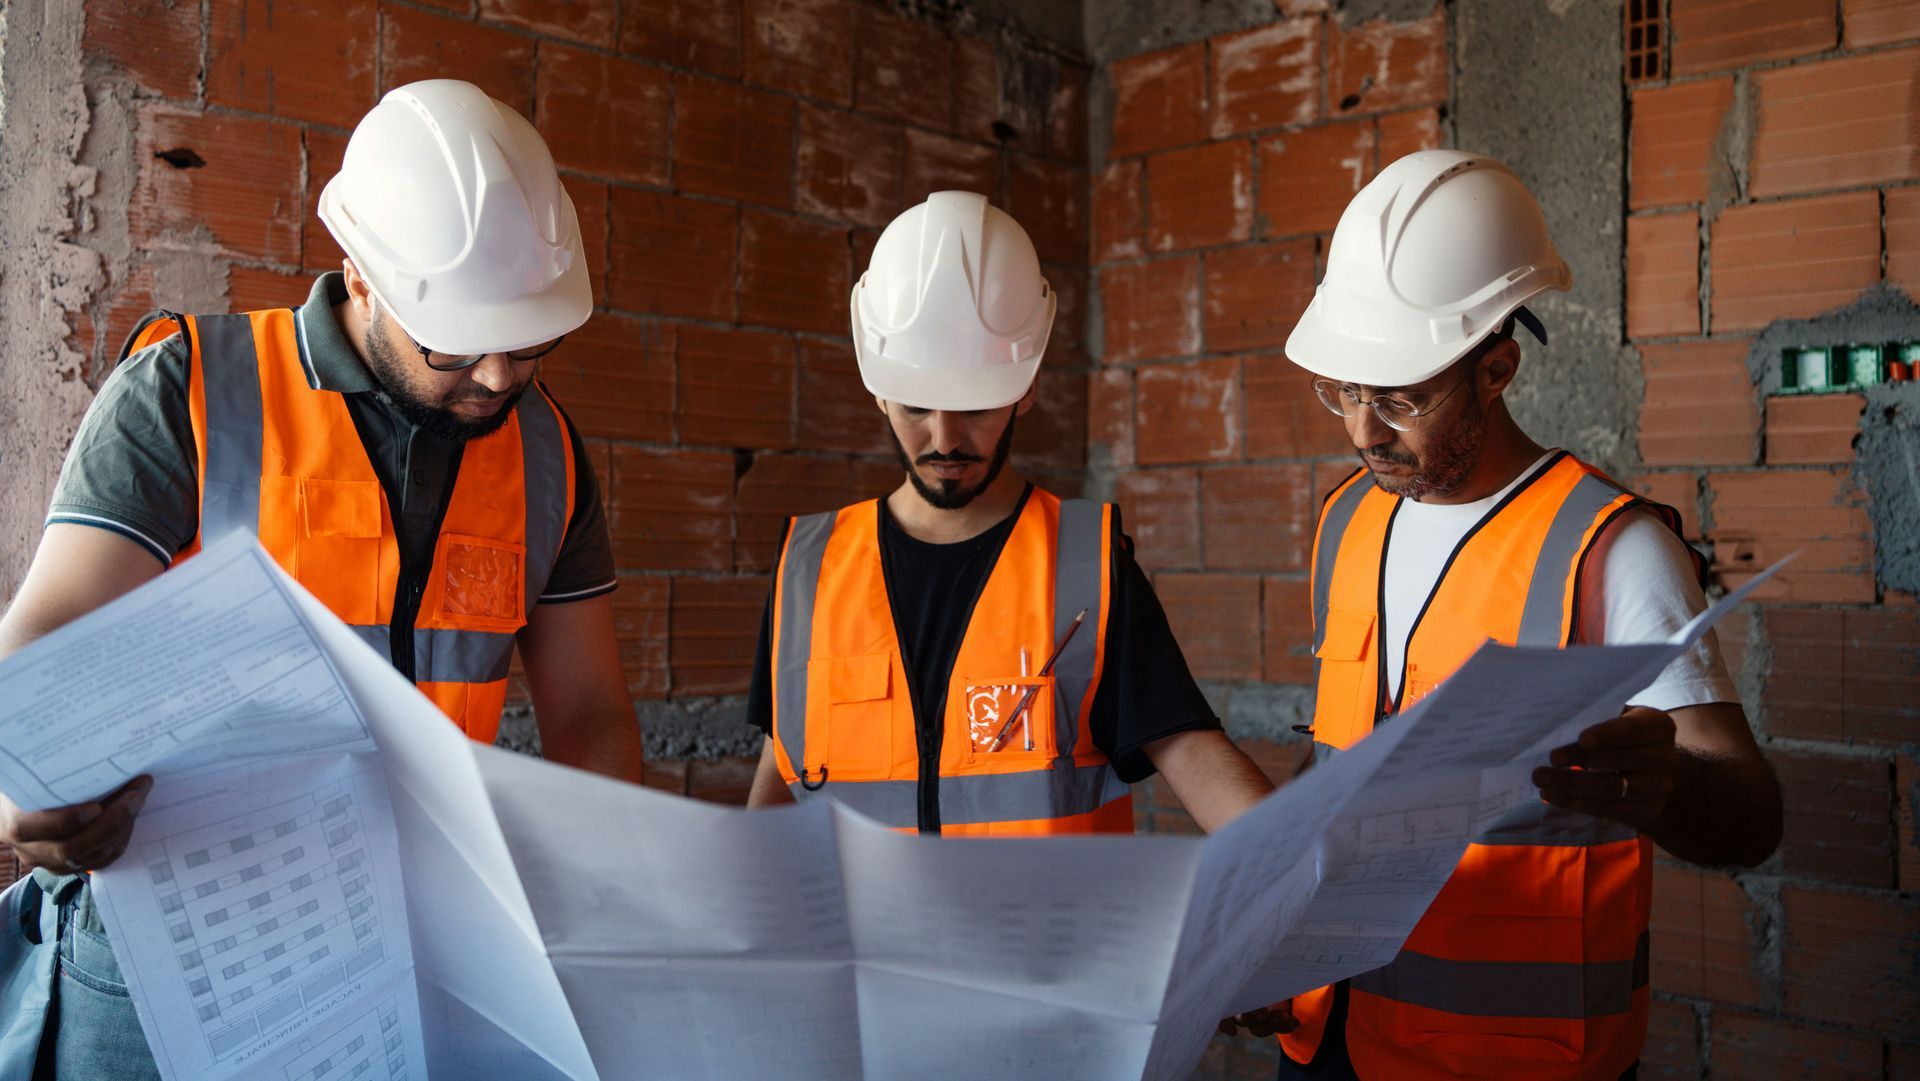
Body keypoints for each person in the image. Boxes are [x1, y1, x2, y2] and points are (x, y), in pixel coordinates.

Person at [0, 80, 642, 1080]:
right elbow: (45, 639)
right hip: (164, 963)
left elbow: (593, 710)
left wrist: (596, 895)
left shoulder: (548, 451)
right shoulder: (188, 390)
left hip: (412, 953)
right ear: (360, 269)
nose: (496, 376)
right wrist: (27, 785)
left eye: (528, 344)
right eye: (458, 341)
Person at [1220, 150, 1782, 1080]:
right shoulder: (1347, 522)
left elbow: (1751, 819)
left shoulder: (1610, 546)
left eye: (1399, 399)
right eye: (1345, 392)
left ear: (1497, 368)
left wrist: (1667, 784)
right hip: (1328, 1041)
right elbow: (1344, 776)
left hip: (1508, 1059)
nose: (1364, 432)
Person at [743, 191, 1275, 835]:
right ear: (878, 390)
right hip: (860, 939)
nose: (943, 438)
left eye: (974, 407)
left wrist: (1303, 865)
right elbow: (782, 767)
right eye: (916, 407)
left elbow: (1190, 751)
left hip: (1040, 938)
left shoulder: (1088, 566)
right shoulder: (811, 566)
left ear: (1024, 386)